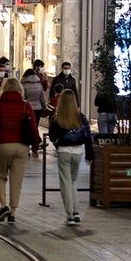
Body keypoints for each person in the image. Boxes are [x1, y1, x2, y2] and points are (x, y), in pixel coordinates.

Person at [0, 78, 39, 224]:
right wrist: (35, 147)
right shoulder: (25, 106)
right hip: (21, 147)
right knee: (16, 181)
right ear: (20, 90)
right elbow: (33, 128)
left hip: (2, 146)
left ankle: (3, 206)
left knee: (0, 176)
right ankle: (13, 212)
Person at [49, 90, 93, 226]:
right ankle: (76, 212)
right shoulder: (81, 117)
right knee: (73, 182)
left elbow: (52, 135)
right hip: (78, 152)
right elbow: (88, 135)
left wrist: (57, 144)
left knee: (65, 183)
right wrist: (89, 153)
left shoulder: (57, 119)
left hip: (64, 152)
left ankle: (70, 214)